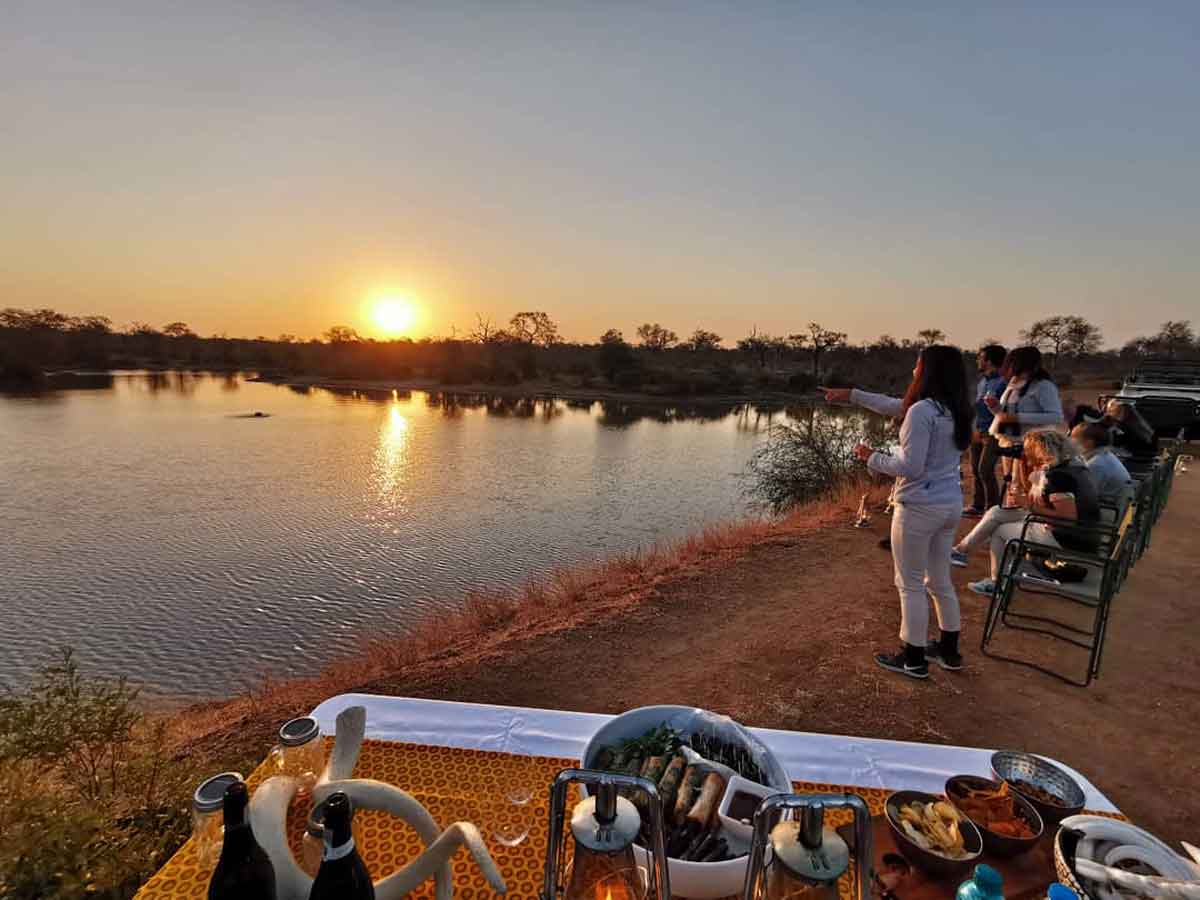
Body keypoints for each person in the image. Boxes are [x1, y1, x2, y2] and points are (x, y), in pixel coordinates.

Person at [820, 345, 972, 680]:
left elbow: (910, 467)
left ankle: (913, 658)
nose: (912, 370)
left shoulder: (921, 412)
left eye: (917, 365)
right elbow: (895, 405)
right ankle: (949, 650)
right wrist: (852, 395)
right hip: (949, 505)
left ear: (927, 370)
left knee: (910, 583)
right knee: (940, 580)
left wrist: (870, 456)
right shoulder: (956, 409)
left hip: (919, 506)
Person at [953, 429, 1100, 597]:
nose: (1027, 452)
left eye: (1031, 449)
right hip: (1079, 531)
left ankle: (997, 585)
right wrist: (1025, 466)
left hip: (1067, 537)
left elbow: (1067, 518)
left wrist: (1029, 506)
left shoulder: (1059, 476)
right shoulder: (1073, 466)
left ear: (1043, 450)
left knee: (1001, 533)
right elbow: (1037, 495)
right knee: (997, 512)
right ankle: (960, 552)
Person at [987, 346, 1063, 507]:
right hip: (1009, 442)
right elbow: (1004, 416)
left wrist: (1018, 418)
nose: (1008, 366)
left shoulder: (1043, 386)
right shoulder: (1014, 384)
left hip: (1031, 446)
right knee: (1011, 486)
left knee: (1024, 487)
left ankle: (1021, 522)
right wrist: (994, 408)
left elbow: (1056, 416)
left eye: (1011, 362)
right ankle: (1009, 519)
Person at [965, 345, 1008, 517]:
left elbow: (1004, 409)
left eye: (980, 357)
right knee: (975, 469)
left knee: (985, 469)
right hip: (979, 430)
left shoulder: (1003, 383)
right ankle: (977, 505)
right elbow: (978, 407)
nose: (978, 361)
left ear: (989, 361)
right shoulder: (983, 381)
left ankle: (992, 510)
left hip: (994, 431)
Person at [1072, 422, 1135, 514]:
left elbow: (1084, 498)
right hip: (1115, 508)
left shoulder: (1096, 464)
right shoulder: (1103, 455)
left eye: (1073, 439)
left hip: (1110, 514)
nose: (1069, 441)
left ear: (1089, 442)